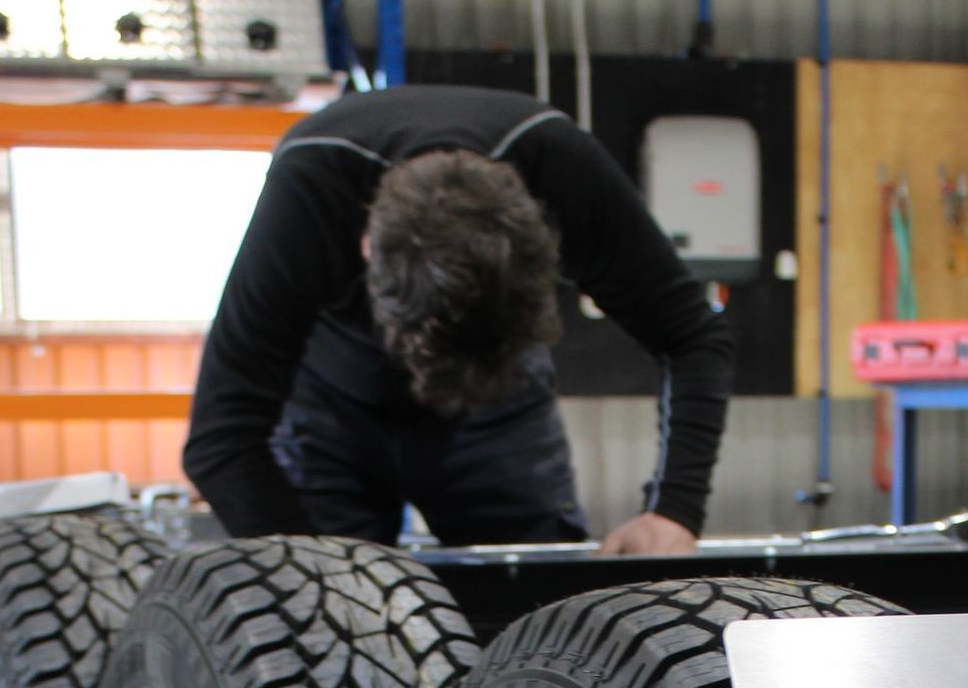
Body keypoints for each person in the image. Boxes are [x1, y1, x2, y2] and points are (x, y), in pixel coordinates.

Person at [183, 84, 732, 553]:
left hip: (499, 411)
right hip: (335, 408)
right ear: (368, 247)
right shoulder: (310, 188)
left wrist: (674, 510)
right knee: (330, 627)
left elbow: (692, 335)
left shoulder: (562, 170)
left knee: (540, 617)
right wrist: (308, 577)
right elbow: (221, 438)